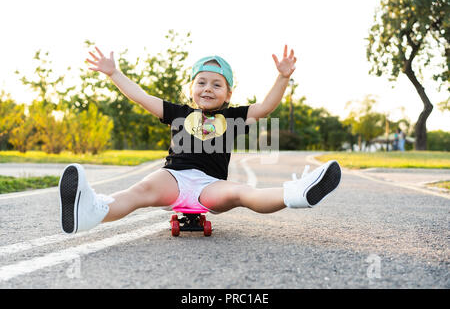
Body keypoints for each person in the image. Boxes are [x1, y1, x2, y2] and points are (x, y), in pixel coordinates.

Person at [58, 45, 342, 234]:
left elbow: (266, 107)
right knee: (140, 191)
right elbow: (141, 97)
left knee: (242, 192)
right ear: (191, 88)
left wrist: (282, 78)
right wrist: (114, 73)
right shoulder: (178, 113)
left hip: (211, 186)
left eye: (217, 84)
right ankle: (90, 212)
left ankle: (297, 194)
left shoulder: (234, 117)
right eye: (202, 82)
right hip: (173, 178)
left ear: (228, 94)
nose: (208, 89)